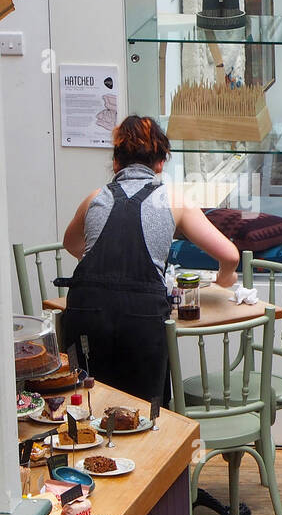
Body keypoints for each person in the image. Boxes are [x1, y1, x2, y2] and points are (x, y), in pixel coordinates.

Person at [60, 115, 241, 403]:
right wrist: (224, 278)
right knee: (145, 411)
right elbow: (230, 255)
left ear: (116, 163)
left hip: (85, 312)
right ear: (160, 162)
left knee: (89, 403)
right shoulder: (174, 200)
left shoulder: (95, 197)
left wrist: (107, 267)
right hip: (141, 317)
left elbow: (71, 243)